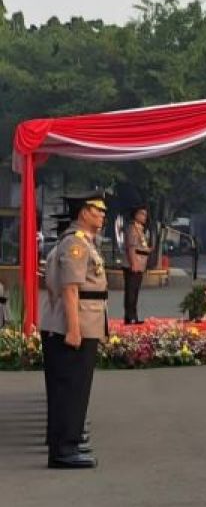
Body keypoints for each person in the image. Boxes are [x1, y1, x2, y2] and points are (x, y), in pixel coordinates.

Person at [42, 192, 109, 469]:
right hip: (75, 323)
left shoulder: (81, 242)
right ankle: (64, 449)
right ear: (84, 213)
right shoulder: (76, 244)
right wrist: (73, 328)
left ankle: (69, 439)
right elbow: (70, 288)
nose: (102, 215)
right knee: (70, 387)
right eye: (98, 210)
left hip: (85, 320)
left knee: (76, 387)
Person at [122, 205, 151, 324]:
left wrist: (148, 250)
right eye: (142, 214)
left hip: (140, 264)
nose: (145, 217)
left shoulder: (140, 228)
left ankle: (134, 315)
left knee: (135, 291)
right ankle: (129, 317)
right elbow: (131, 247)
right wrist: (133, 263)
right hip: (133, 265)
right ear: (136, 214)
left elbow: (140, 246)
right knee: (131, 292)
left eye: (145, 214)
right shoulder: (132, 228)